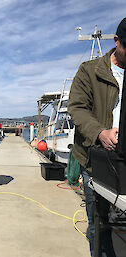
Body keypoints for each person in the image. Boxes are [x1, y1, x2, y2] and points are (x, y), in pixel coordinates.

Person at [68, 18, 126, 257]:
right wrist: (100, 133)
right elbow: (77, 108)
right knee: (99, 223)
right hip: (95, 162)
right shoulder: (89, 71)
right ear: (117, 42)